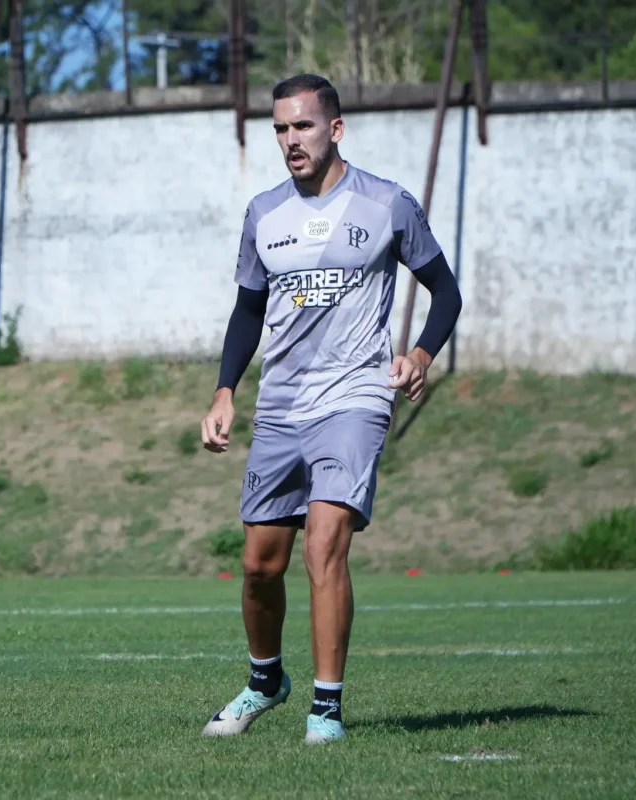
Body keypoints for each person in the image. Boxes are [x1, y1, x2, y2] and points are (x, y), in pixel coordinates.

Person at [199, 74, 462, 743]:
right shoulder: (264, 213)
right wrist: (226, 390)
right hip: (282, 405)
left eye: (303, 126)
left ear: (335, 129)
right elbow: (247, 310)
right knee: (260, 563)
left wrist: (423, 356)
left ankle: (326, 709)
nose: (291, 139)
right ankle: (265, 682)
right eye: (281, 128)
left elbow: (445, 292)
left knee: (324, 547)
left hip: (355, 399)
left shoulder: (387, 204)